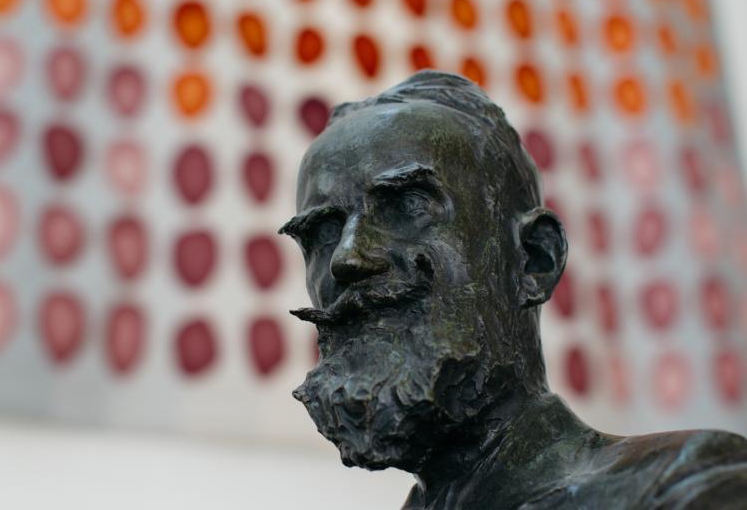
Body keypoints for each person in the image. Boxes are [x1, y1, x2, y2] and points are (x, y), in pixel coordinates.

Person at [279, 71, 747, 509]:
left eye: (408, 206)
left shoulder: (677, 489)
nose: (347, 257)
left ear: (533, 260)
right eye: (322, 232)